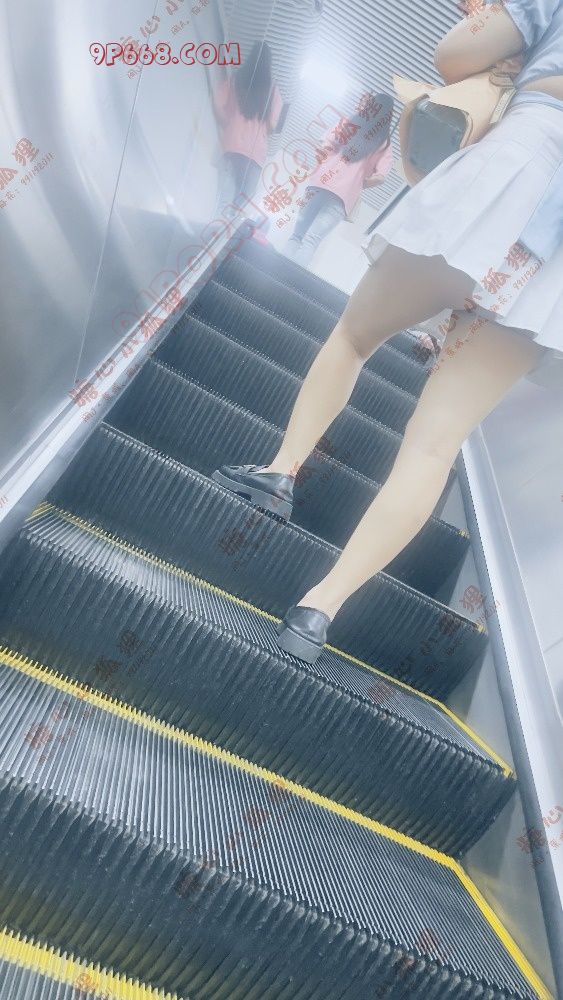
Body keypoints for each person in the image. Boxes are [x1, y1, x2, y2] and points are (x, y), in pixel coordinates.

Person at [213, 0, 563, 665]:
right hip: (553, 266)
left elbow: (456, 55)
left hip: (516, 169)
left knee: (354, 336)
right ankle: (320, 608)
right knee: (435, 444)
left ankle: (281, 473)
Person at [283, 96, 395, 265]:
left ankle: (276, 271)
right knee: (312, 241)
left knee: (296, 236)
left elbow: (324, 146)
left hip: (319, 184)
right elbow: (380, 178)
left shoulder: (349, 122)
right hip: (342, 198)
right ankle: (288, 279)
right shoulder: (384, 144)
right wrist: (358, 184)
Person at [212, 41, 284, 214]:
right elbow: (272, 126)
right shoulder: (273, 91)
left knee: (223, 200)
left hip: (232, 144)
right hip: (255, 154)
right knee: (240, 206)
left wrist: (229, 124)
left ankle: (214, 229)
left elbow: (217, 103)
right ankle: (227, 230)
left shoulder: (235, 79)